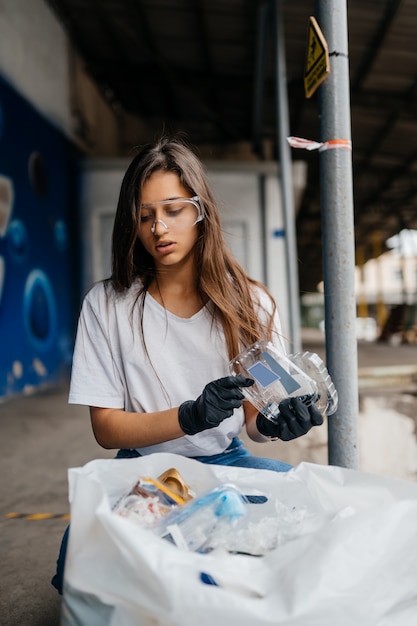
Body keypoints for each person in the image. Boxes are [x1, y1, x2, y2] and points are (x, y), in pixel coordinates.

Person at [52, 135, 323, 594]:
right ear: (132, 225)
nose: (159, 227)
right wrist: (189, 416)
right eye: (144, 215)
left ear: (200, 212)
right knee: (81, 561)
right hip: (145, 468)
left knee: (310, 517)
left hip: (229, 461)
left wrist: (281, 424)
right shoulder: (107, 303)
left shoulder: (249, 303)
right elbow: (107, 429)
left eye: (173, 210)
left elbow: (256, 422)